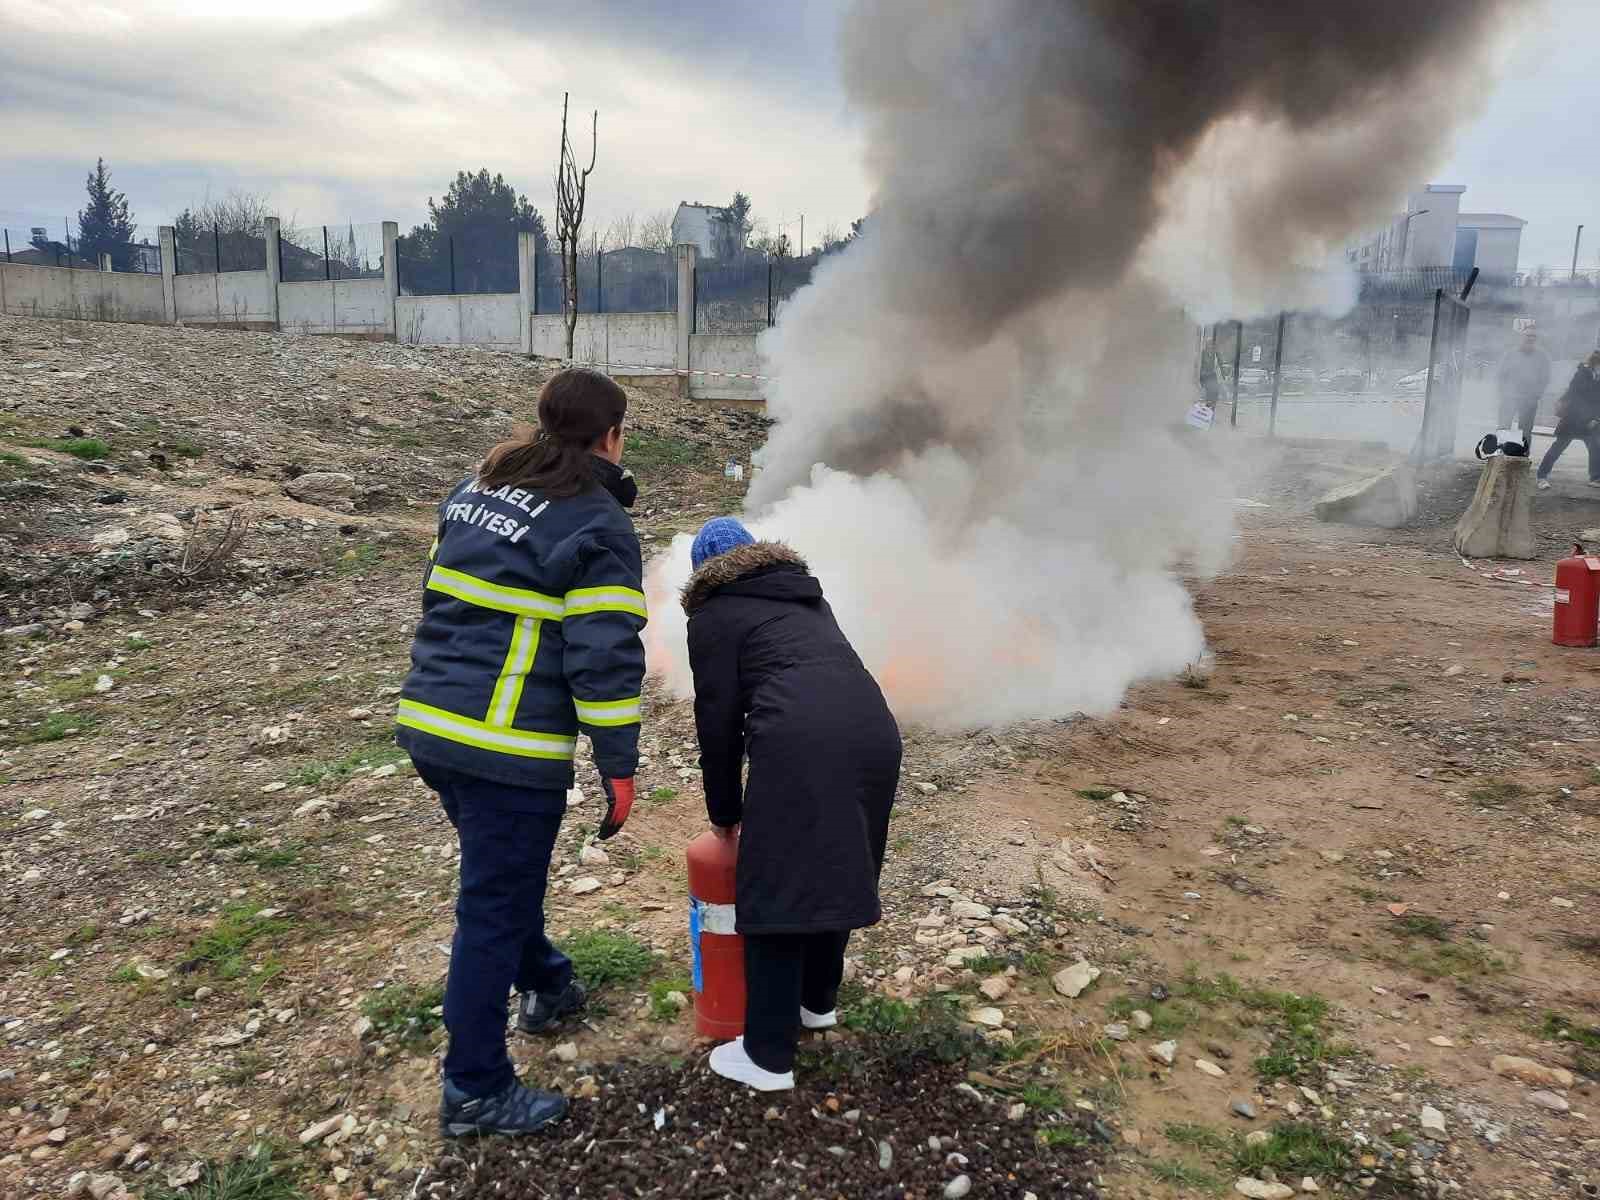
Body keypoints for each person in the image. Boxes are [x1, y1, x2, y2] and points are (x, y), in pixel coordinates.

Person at [398, 367, 647, 1137]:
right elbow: (602, 657)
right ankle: (474, 1086)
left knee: (499, 880)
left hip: (430, 727)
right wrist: (619, 764)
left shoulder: (474, 489)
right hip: (505, 750)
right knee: (492, 906)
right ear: (611, 436)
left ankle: (548, 984)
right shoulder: (597, 523)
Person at [682, 517, 902, 1092]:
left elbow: (719, 725)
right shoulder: (807, 598)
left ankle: (767, 1056)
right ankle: (815, 1003)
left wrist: (725, 811)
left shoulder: (714, 615)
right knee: (838, 863)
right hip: (875, 733)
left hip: (802, 742)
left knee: (777, 884)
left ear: (703, 574)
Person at [1536, 351, 1600, 490]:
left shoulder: (1595, 376)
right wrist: (1562, 402)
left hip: (1590, 420)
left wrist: (1596, 418)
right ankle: (1541, 476)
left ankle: (1595, 478)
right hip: (1573, 419)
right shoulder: (1582, 374)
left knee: (1595, 447)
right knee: (1559, 446)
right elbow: (1574, 394)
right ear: (1595, 363)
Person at [1496, 328, 1552, 441]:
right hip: (1509, 397)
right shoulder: (1510, 354)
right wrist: (1503, 392)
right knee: (1503, 427)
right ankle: (1500, 453)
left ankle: (1522, 455)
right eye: (1527, 335)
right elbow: (1501, 374)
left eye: (1533, 336)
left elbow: (1545, 378)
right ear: (1521, 338)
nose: (1530, 338)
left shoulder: (1542, 356)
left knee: (1525, 430)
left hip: (1529, 399)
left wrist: (1537, 394)